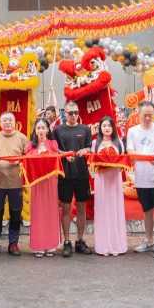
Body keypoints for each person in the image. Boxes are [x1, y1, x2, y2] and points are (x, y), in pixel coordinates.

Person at [126, 101, 154, 258]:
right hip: (141, 179)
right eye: (145, 115)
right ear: (138, 114)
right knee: (146, 211)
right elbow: (130, 152)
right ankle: (149, 240)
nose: (147, 118)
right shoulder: (132, 132)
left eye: (150, 115)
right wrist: (148, 158)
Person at [53, 101, 93, 257]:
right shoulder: (57, 130)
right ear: (65, 113)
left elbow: (90, 146)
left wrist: (86, 149)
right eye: (70, 113)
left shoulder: (85, 129)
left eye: (76, 112)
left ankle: (80, 240)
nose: (74, 115)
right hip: (65, 175)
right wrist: (64, 155)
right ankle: (67, 241)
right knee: (66, 208)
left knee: (82, 208)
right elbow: (54, 149)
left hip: (82, 173)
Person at [0, 111, 30, 256]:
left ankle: (13, 243)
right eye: (4, 120)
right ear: (0, 123)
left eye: (10, 120)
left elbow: (28, 157)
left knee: (15, 213)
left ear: (15, 122)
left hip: (16, 182)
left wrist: (20, 160)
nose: (7, 123)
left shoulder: (22, 137)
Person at [91, 116, 128, 256]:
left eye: (109, 125)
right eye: (104, 125)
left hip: (115, 180)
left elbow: (123, 161)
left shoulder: (118, 142)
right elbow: (92, 163)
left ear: (113, 128)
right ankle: (103, 246)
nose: (106, 128)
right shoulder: (95, 143)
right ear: (100, 128)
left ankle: (117, 245)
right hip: (101, 181)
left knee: (115, 209)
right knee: (102, 210)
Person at [28, 118, 62, 257]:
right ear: (35, 131)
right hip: (37, 182)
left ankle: (51, 244)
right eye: (38, 128)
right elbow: (27, 159)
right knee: (38, 212)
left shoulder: (53, 143)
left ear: (48, 130)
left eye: (43, 128)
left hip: (50, 181)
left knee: (50, 210)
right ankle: (39, 245)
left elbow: (58, 157)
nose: (41, 130)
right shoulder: (31, 145)